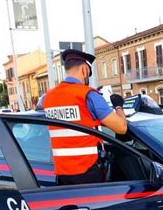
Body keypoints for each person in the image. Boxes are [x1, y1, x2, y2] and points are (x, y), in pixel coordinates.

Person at [41, 49, 127, 185]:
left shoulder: (48, 98)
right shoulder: (88, 95)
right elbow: (121, 128)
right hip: (88, 172)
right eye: (89, 73)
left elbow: (76, 121)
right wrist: (118, 107)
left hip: (63, 174)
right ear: (84, 69)